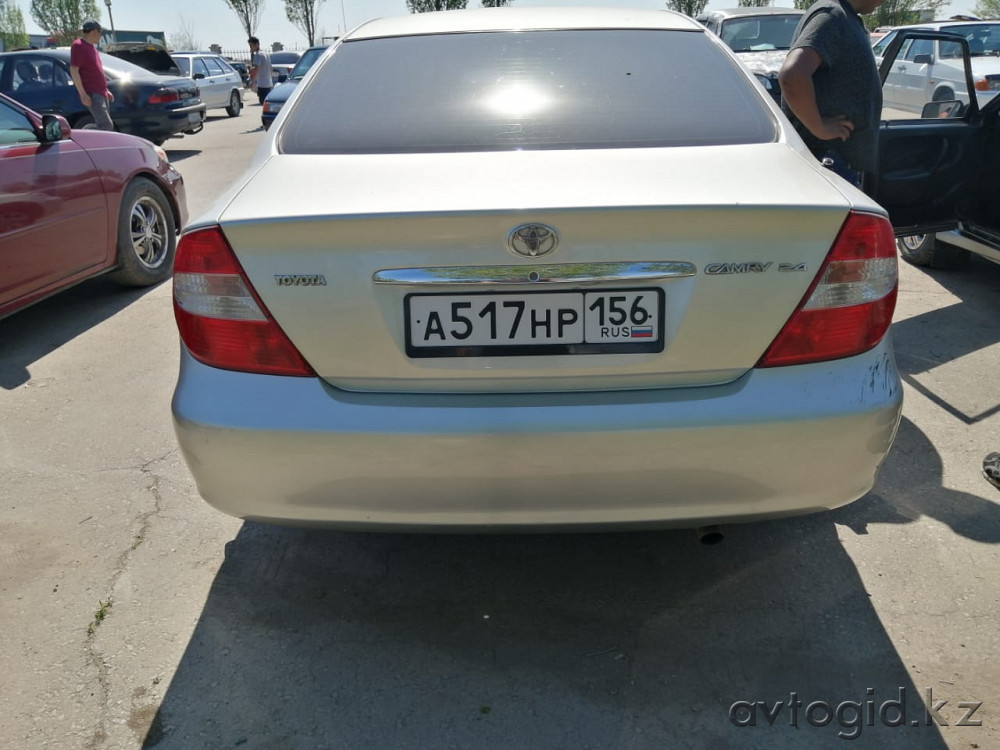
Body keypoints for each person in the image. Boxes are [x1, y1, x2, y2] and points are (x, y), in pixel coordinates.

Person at [777, 0, 883, 187]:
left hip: (834, 165)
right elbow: (793, 75)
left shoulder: (844, 17)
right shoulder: (832, 16)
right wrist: (819, 127)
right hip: (827, 165)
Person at [69, 19, 115, 131]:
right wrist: (83, 95)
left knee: (103, 126)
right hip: (92, 94)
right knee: (106, 125)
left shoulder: (92, 48)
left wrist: (106, 90)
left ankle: (94, 143)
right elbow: (74, 70)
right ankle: (98, 147)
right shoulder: (78, 45)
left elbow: (96, 69)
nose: (100, 36)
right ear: (94, 31)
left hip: (101, 92)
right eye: (100, 33)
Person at [248, 36, 273, 105]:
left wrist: (252, 82)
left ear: (256, 44)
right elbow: (271, 68)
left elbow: (256, 69)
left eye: (251, 45)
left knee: (263, 104)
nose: (250, 48)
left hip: (262, 84)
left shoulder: (258, 55)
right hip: (269, 83)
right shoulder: (266, 54)